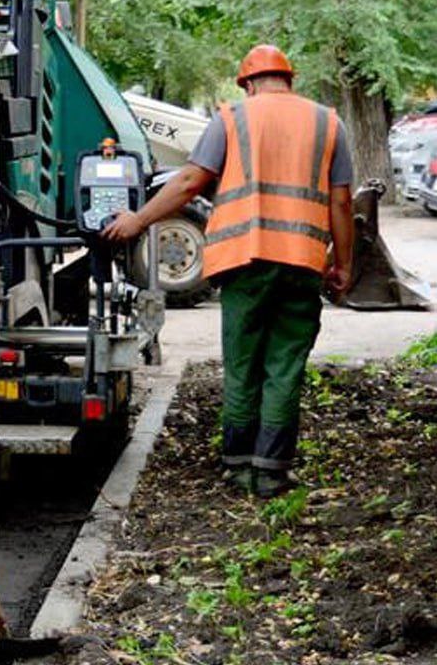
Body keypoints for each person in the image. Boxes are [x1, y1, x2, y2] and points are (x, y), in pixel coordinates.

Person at [102, 45, 354, 497]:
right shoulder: (328, 122)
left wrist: (137, 220)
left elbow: (189, 182)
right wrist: (343, 264)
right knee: (284, 367)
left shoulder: (232, 118)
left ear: (249, 83)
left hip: (245, 261)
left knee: (242, 365)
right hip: (301, 262)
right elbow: (341, 202)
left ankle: (238, 468)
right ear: (288, 80)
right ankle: (272, 472)